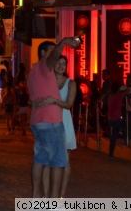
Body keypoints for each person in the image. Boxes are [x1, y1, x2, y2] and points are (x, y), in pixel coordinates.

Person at [28, 37, 80, 198]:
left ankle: (37, 199)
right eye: (52, 50)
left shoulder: (34, 71)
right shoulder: (44, 66)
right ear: (44, 53)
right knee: (58, 162)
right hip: (51, 122)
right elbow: (52, 57)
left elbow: (33, 99)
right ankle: (55, 202)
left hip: (38, 121)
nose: (55, 56)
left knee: (40, 160)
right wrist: (64, 42)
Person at [46, 55, 77, 199]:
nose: (60, 65)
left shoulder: (71, 83)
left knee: (65, 161)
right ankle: (47, 195)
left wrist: (54, 101)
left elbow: (69, 104)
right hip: (48, 122)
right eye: (58, 63)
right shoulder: (47, 81)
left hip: (64, 122)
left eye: (63, 63)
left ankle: (61, 196)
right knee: (46, 160)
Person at [108, 80, 124, 160]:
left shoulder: (111, 96)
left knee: (112, 137)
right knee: (114, 136)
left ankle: (111, 154)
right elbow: (126, 93)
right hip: (117, 118)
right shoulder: (119, 96)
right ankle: (111, 154)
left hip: (111, 118)